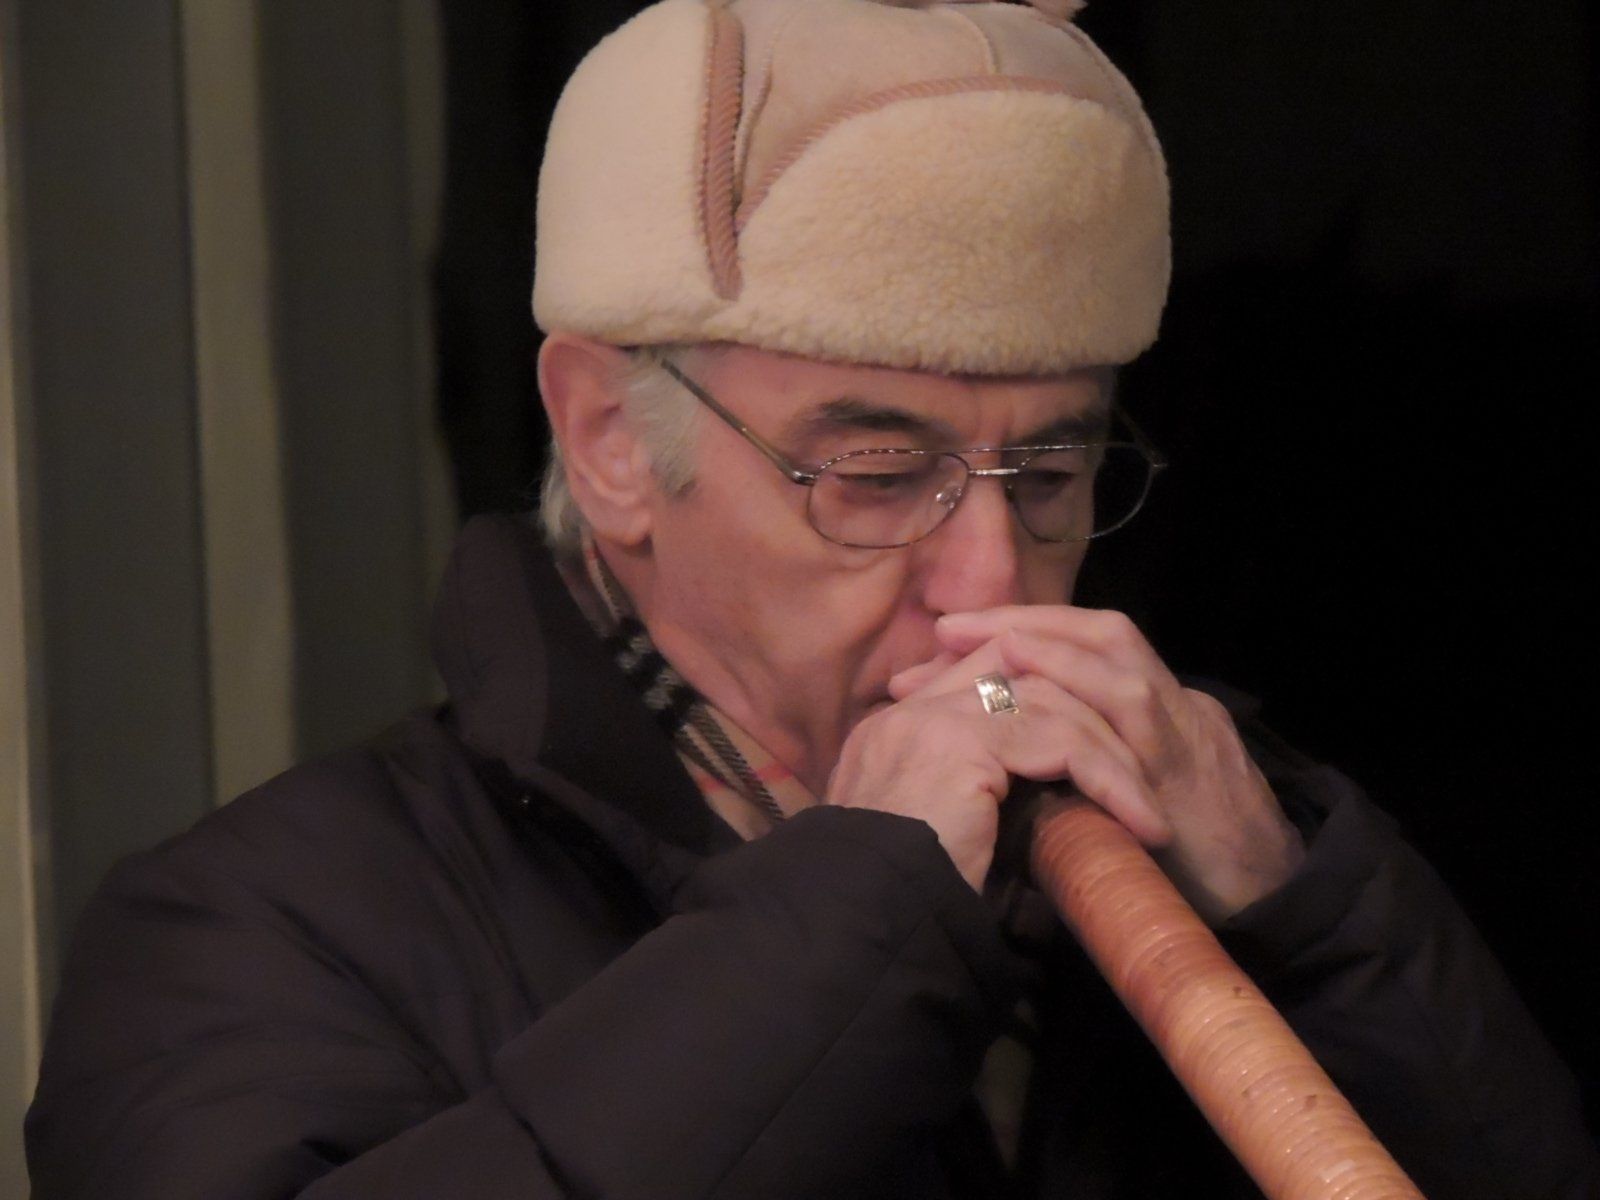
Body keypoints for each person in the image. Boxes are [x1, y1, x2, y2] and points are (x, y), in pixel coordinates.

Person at [25, 1, 1599, 1196]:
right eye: (876, 472)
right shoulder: (248, 928)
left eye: (1050, 474)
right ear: (609, 440)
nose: (989, 588)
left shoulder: (1207, 831)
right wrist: (862, 914)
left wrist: (1301, 913)